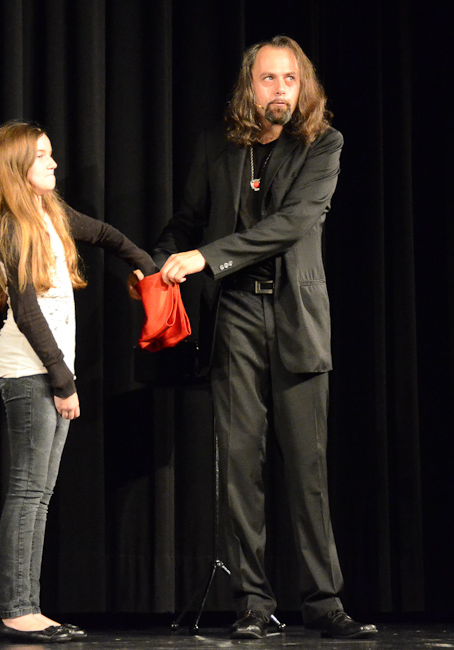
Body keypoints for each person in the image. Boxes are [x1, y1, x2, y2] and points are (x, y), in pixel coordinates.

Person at [153, 36, 376, 639]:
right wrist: (156, 265)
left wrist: (206, 258)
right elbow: (186, 222)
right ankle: (253, 602)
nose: (280, 89)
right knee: (239, 469)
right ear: (249, 87)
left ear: (304, 87)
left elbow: (293, 223)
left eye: (290, 79)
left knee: (307, 468)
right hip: (236, 317)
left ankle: (324, 602)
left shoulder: (323, 145)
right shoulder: (218, 146)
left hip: (295, 316)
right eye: (268, 78)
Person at [0, 121, 156, 644]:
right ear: (17, 166)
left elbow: (105, 235)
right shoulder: (13, 226)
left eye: (51, 153)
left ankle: (26, 607)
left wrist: (145, 266)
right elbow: (27, 312)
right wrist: (63, 381)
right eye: (42, 156)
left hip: (51, 371)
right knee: (28, 490)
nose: (53, 163)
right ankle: (17, 611)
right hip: (29, 370)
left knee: (41, 494)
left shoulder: (50, 213)